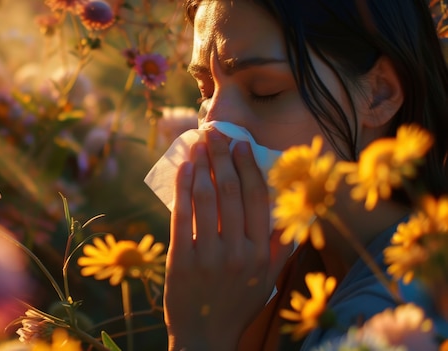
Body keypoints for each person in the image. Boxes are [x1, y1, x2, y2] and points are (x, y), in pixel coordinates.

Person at [162, 0, 448, 350]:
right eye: (205, 92)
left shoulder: (400, 321)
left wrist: (199, 336)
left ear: (378, 94)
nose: (213, 126)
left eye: (265, 91)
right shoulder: (283, 269)